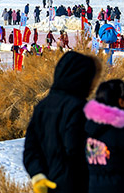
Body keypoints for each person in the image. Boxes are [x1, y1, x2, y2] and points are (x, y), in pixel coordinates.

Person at [24, 51, 101, 193]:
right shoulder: (80, 108)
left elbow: (30, 148)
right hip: (75, 185)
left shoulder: (43, 105)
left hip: (48, 185)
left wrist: (37, 174)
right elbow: (76, 149)